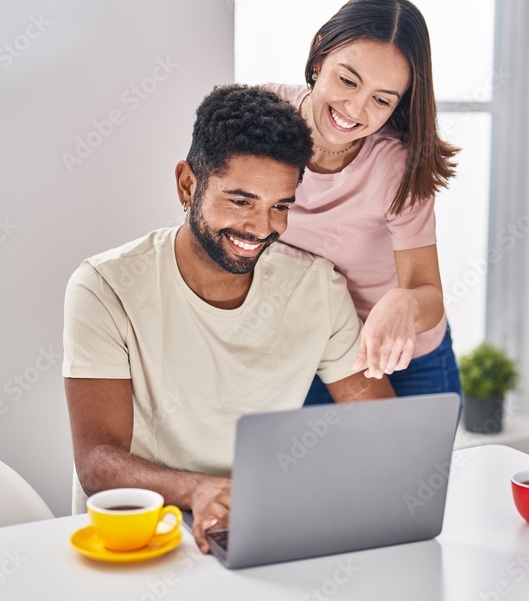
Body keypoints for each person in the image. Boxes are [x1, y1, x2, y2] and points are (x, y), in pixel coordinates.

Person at [62, 84, 394, 553]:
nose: (262, 228)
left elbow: (383, 430)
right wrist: (198, 490)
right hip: (142, 537)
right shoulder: (105, 286)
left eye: (280, 206)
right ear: (187, 184)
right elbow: (97, 462)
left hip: (253, 535)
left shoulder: (317, 289)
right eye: (241, 201)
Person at [268, 0, 462, 405]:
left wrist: (404, 304)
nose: (355, 109)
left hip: (403, 358)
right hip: (306, 351)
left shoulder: (395, 166)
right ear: (320, 54)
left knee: (411, 472)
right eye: (347, 79)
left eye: (381, 99)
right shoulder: (262, 118)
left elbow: (428, 293)